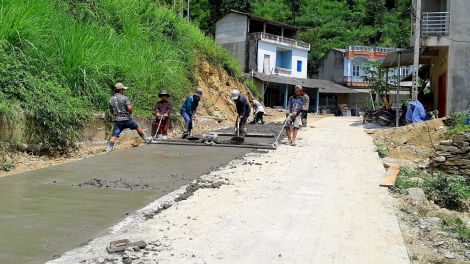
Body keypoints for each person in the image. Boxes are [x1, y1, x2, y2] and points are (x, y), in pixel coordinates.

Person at [107, 83, 150, 153]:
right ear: (121, 90)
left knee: (114, 136)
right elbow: (129, 108)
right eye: (123, 89)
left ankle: (108, 150)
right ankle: (147, 140)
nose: (123, 91)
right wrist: (130, 112)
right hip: (127, 119)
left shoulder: (110, 100)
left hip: (118, 121)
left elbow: (112, 112)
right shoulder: (124, 98)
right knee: (137, 127)